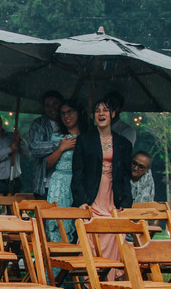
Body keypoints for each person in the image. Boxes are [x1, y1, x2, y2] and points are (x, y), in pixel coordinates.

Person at [72, 96, 132, 268]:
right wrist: (81, 201)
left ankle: (109, 280)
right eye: (97, 111)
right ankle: (92, 281)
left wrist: (126, 203)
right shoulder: (84, 140)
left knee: (114, 236)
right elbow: (77, 173)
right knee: (90, 239)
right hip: (92, 197)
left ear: (113, 114)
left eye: (105, 110)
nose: (101, 114)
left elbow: (126, 176)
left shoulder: (123, 143)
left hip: (113, 198)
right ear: (93, 116)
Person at [45, 99, 84, 240]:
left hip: (80, 183)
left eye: (70, 112)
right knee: (58, 224)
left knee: (79, 224)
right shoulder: (57, 136)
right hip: (59, 184)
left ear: (78, 113)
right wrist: (62, 148)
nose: (66, 116)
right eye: (63, 113)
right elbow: (46, 164)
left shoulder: (87, 137)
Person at [23, 90, 63, 197]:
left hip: (66, 184)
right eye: (47, 105)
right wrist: (61, 144)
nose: (52, 108)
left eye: (55, 104)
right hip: (45, 185)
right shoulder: (38, 124)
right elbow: (35, 147)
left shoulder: (68, 122)